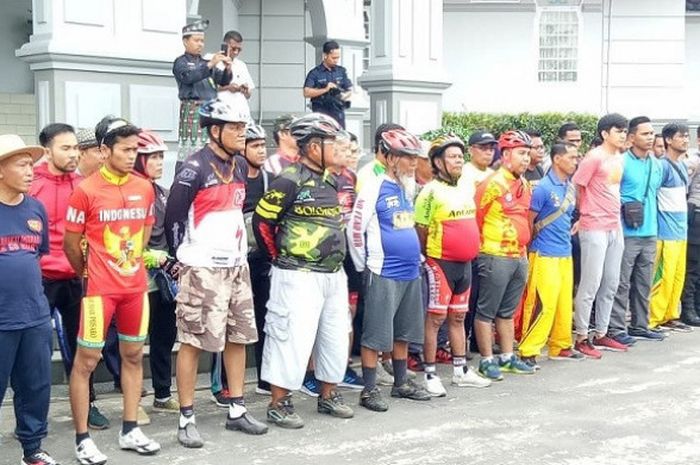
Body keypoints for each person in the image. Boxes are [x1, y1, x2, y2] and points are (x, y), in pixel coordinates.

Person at [165, 99, 267, 447]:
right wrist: (182, 260)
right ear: (215, 131)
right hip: (202, 268)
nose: (242, 133)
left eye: (243, 126)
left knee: (237, 338)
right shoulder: (193, 168)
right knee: (193, 342)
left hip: (236, 266)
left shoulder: (238, 166)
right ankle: (186, 417)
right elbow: (173, 219)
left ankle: (237, 409)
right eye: (235, 128)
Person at [63, 116, 160, 464]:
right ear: (104, 151)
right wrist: (88, 274)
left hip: (135, 289)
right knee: (86, 361)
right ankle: (83, 438)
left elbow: (145, 235)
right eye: (125, 149)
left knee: (134, 356)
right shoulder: (85, 190)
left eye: (136, 149)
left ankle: (130, 428)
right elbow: (71, 245)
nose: (132, 155)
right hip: (98, 292)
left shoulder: (145, 187)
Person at [253, 112, 354, 429]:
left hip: (333, 275)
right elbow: (262, 223)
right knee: (291, 338)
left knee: (334, 336)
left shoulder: (331, 179)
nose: (337, 149)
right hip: (297, 275)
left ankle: (328, 395)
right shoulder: (289, 180)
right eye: (330, 143)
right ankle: (279, 403)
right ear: (312, 147)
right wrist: (279, 260)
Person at [31, 123, 110, 431]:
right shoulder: (31, 183)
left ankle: (87, 404)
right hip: (39, 279)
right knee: (35, 349)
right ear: (48, 151)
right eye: (66, 148)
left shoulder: (83, 185)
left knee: (83, 345)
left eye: (76, 147)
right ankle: (32, 414)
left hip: (78, 277)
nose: (74, 154)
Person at [348, 128, 432, 412]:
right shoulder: (374, 186)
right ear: (392, 158)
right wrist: (365, 265)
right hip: (382, 270)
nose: (413, 162)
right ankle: (369, 390)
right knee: (375, 333)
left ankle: (401, 383)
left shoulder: (406, 187)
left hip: (409, 271)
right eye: (407, 157)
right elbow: (355, 230)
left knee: (403, 332)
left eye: (414, 157)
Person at [415, 134, 491, 397]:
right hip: (441, 262)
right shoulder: (429, 191)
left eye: (460, 156)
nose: (458, 160)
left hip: (465, 263)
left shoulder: (465, 186)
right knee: (436, 319)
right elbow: (421, 229)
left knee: (458, 316)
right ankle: (430, 374)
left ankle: (461, 371)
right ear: (437, 161)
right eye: (452, 156)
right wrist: (427, 257)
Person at [0, 134, 60, 465]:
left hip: (35, 316)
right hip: (1, 319)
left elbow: (36, 256)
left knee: (35, 387)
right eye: (21, 165)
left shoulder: (35, 209)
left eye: (30, 165)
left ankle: (32, 449)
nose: (30, 171)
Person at [473, 130, 535, 381]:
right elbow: (476, 218)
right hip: (494, 254)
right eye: (521, 153)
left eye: (528, 154)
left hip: (518, 255)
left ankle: (508, 356)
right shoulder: (491, 183)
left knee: (508, 311)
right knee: (486, 311)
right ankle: (487, 360)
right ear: (506, 154)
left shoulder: (525, 183)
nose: (526, 159)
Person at [519, 143, 584, 365]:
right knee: (542, 305)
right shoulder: (543, 188)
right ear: (557, 159)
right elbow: (530, 221)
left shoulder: (569, 186)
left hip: (564, 252)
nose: (576, 161)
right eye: (572, 157)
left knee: (564, 303)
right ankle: (529, 349)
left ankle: (561, 344)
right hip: (544, 253)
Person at [131, 130, 181, 413]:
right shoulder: (130, 193)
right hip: (137, 278)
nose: (160, 162)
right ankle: (132, 400)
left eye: (162, 156)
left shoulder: (162, 192)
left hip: (166, 279)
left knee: (164, 336)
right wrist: (156, 259)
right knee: (134, 342)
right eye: (153, 157)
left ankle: (162, 394)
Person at [571, 113, 628, 358]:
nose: (623, 134)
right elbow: (578, 185)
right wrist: (581, 216)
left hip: (615, 225)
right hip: (593, 225)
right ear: (605, 133)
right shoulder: (593, 157)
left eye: (625, 130)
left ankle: (602, 333)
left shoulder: (618, 157)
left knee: (611, 281)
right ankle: (582, 336)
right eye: (619, 130)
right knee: (590, 283)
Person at [608, 117, 665, 343]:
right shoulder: (620, 162)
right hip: (625, 232)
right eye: (645, 134)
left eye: (652, 133)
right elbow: (610, 194)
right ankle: (616, 328)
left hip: (650, 231)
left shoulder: (657, 164)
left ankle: (641, 325)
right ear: (631, 138)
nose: (650, 137)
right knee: (621, 282)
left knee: (644, 282)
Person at [649, 123, 692, 332]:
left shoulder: (683, 166)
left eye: (686, 136)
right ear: (668, 140)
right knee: (662, 277)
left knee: (677, 276)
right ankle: (654, 318)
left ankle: (670, 315)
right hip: (665, 232)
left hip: (681, 231)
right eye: (681, 136)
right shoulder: (662, 166)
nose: (685, 140)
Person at [173, 19, 232, 167]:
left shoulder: (205, 62)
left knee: (213, 149)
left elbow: (223, 81)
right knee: (191, 153)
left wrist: (227, 68)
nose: (200, 44)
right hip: (193, 110)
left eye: (202, 41)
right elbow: (189, 77)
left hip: (211, 111)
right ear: (185, 41)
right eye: (196, 40)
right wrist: (211, 64)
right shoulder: (180, 62)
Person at [241, 123, 273, 396]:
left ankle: (265, 378)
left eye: (263, 145)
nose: (261, 151)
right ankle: (228, 384)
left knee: (265, 318)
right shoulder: (233, 177)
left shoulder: (271, 179)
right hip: (237, 258)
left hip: (262, 258)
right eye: (254, 145)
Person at [303, 40, 353, 128]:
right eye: (333, 58)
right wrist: (326, 89)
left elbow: (349, 89)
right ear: (325, 56)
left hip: (338, 112)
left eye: (338, 58)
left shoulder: (341, 71)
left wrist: (344, 96)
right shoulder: (315, 73)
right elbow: (306, 92)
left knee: (340, 138)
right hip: (322, 113)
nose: (336, 61)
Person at [681, 126, 700, 326]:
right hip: (696, 216)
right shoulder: (694, 161)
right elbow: (681, 186)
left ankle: (697, 307)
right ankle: (688, 310)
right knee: (693, 267)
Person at [218, 30, 255, 118]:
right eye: (233, 48)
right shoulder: (213, 61)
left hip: (240, 113)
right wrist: (227, 88)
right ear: (225, 45)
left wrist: (244, 89)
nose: (236, 52)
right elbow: (205, 89)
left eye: (239, 49)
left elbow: (249, 94)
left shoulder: (241, 65)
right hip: (220, 113)